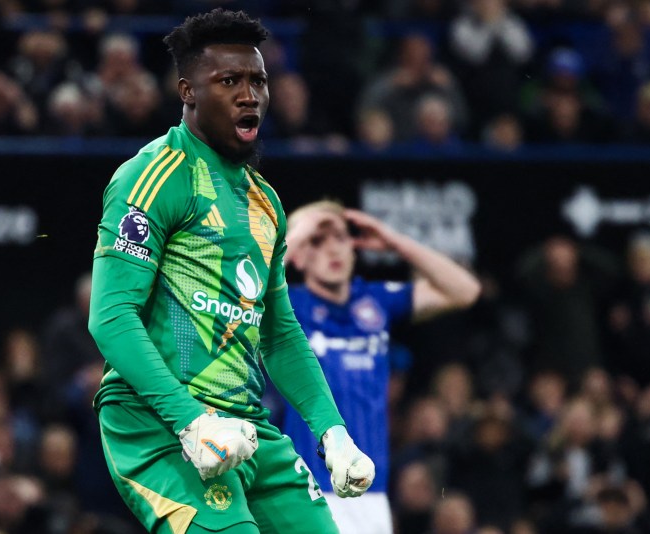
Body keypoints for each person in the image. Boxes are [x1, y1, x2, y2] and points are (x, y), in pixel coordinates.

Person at [88, 9, 375, 534]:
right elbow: (110, 317)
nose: (250, 95)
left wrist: (332, 431)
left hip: (246, 427)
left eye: (258, 81)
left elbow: (280, 334)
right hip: (159, 424)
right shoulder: (152, 177)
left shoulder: (266, 204)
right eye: (229, 81)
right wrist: (191, 422)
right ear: (187, 91)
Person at [279, 200, 481, 533]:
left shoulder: (375, 301)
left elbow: (466, 290)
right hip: (307, 492)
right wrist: (295, 236)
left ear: (354, 249)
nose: (332, 249)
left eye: (340, 237)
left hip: (370, 494)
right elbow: (246, 293)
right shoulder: (287, 304)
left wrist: (395, 241)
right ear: (298, 255)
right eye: (317, 240)